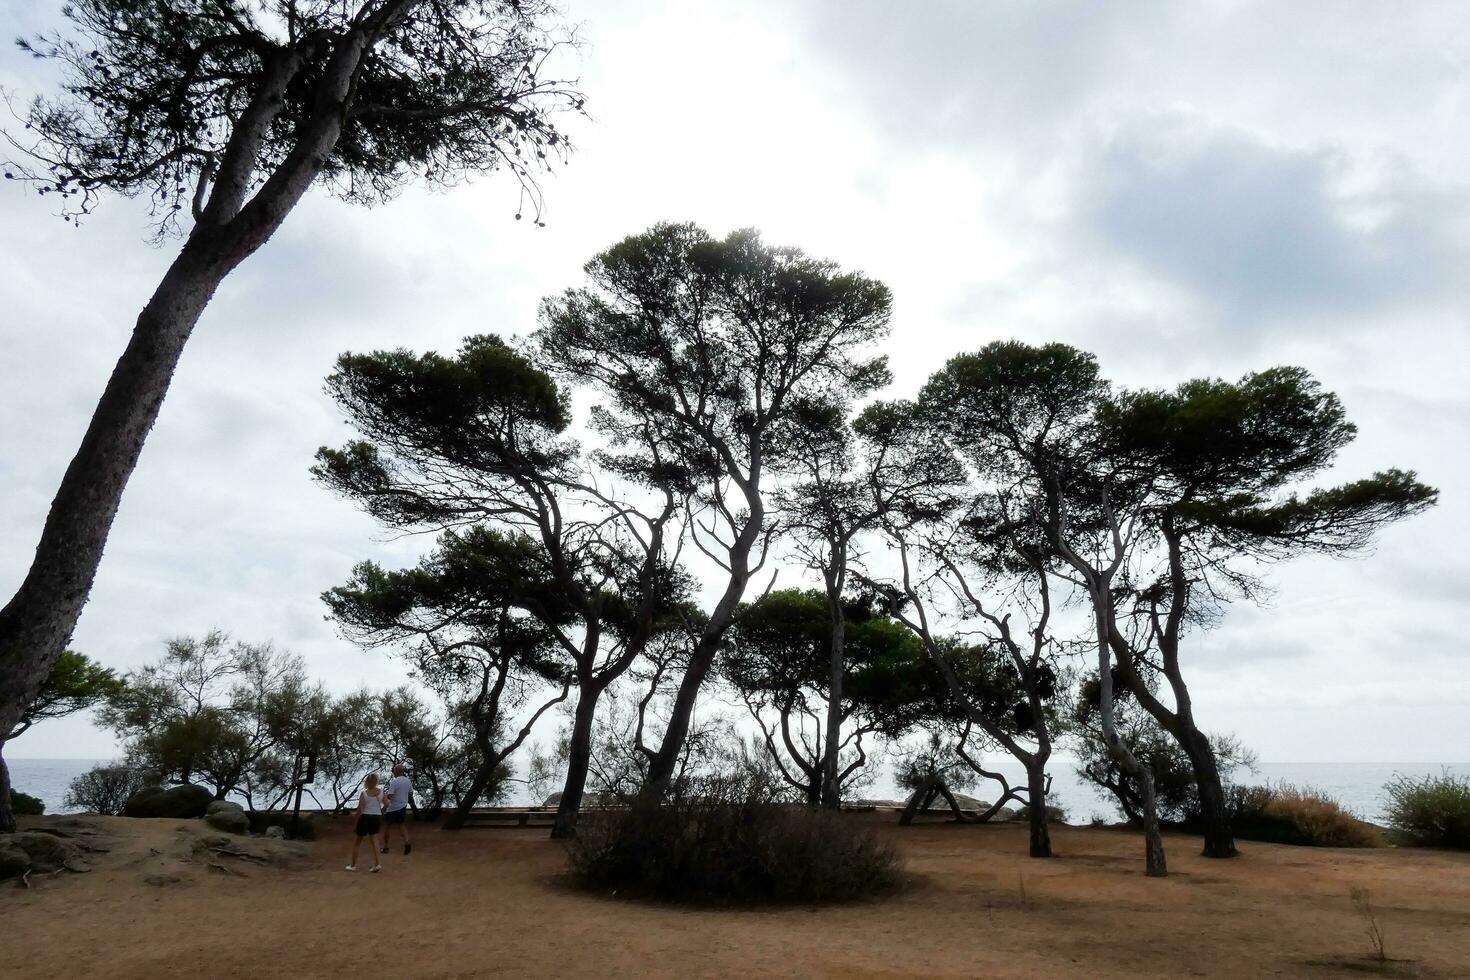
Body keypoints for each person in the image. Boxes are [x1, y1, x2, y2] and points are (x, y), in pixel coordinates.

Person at [346, 773, 384, 872]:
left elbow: (360, 810)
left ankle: (353, 865)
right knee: (375, 840)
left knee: (358, 842)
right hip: (376, 817)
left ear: (367, 782)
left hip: (366, 817)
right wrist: (381, 811)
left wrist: (355, 820)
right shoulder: (381, 792)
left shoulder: (364, 794)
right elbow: (387, 803)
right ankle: (377, 863)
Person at [381, 762, 414, 856]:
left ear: (396, 771)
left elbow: (390, 796)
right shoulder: (408, 781)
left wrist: (384, 800)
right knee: (401, 825)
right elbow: (410, 793)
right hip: (403, 806)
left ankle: (386, 847)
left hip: (393, 807)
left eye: (394, 771)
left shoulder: (394, 782)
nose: (393, 772)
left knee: (387, 826)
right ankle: (407, 842)